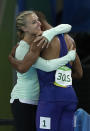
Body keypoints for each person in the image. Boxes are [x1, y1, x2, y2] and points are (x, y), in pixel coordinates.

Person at [8, 10, 76, 131]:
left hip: (37, 101)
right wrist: (69, 57)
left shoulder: (38, 41)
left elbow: (67, 26)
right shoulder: (23, 49)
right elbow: (47, 66)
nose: (39, 24)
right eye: (34, 22)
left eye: (38, 20)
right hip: (24, 101)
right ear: (24, 28)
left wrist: (51, 32)